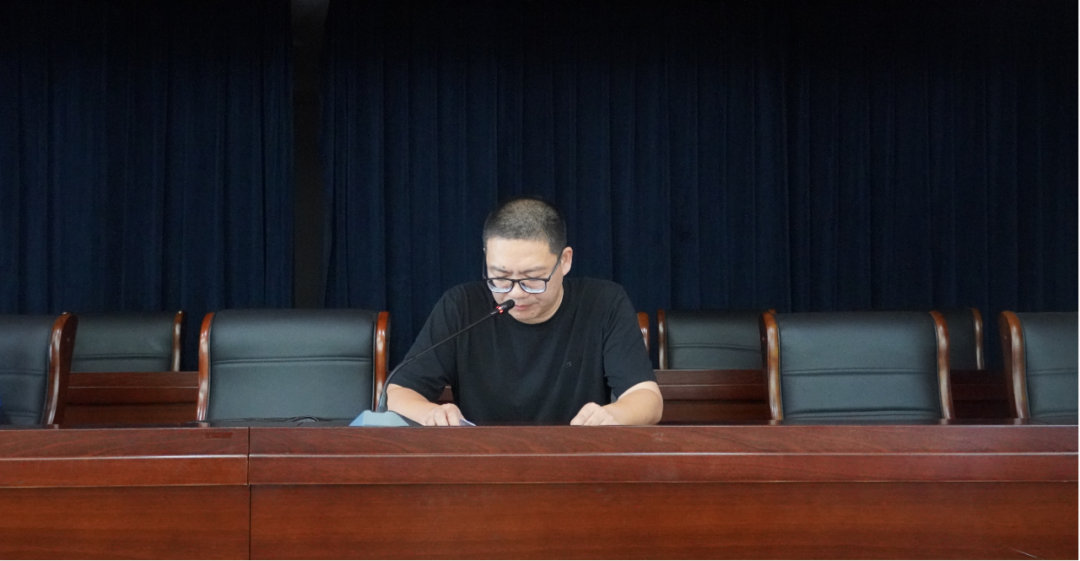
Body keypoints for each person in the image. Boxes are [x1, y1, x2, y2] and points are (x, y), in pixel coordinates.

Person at [387, 197, 663, 426]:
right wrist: (431, 414)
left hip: (576, 461)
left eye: (532, 278)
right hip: (482, 464)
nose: (515, 293)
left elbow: (647, 398)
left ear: (565, 261)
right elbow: (399, 391)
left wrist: (614, 415)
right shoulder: (461, 306)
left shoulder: (604, 303)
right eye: (500, 277)